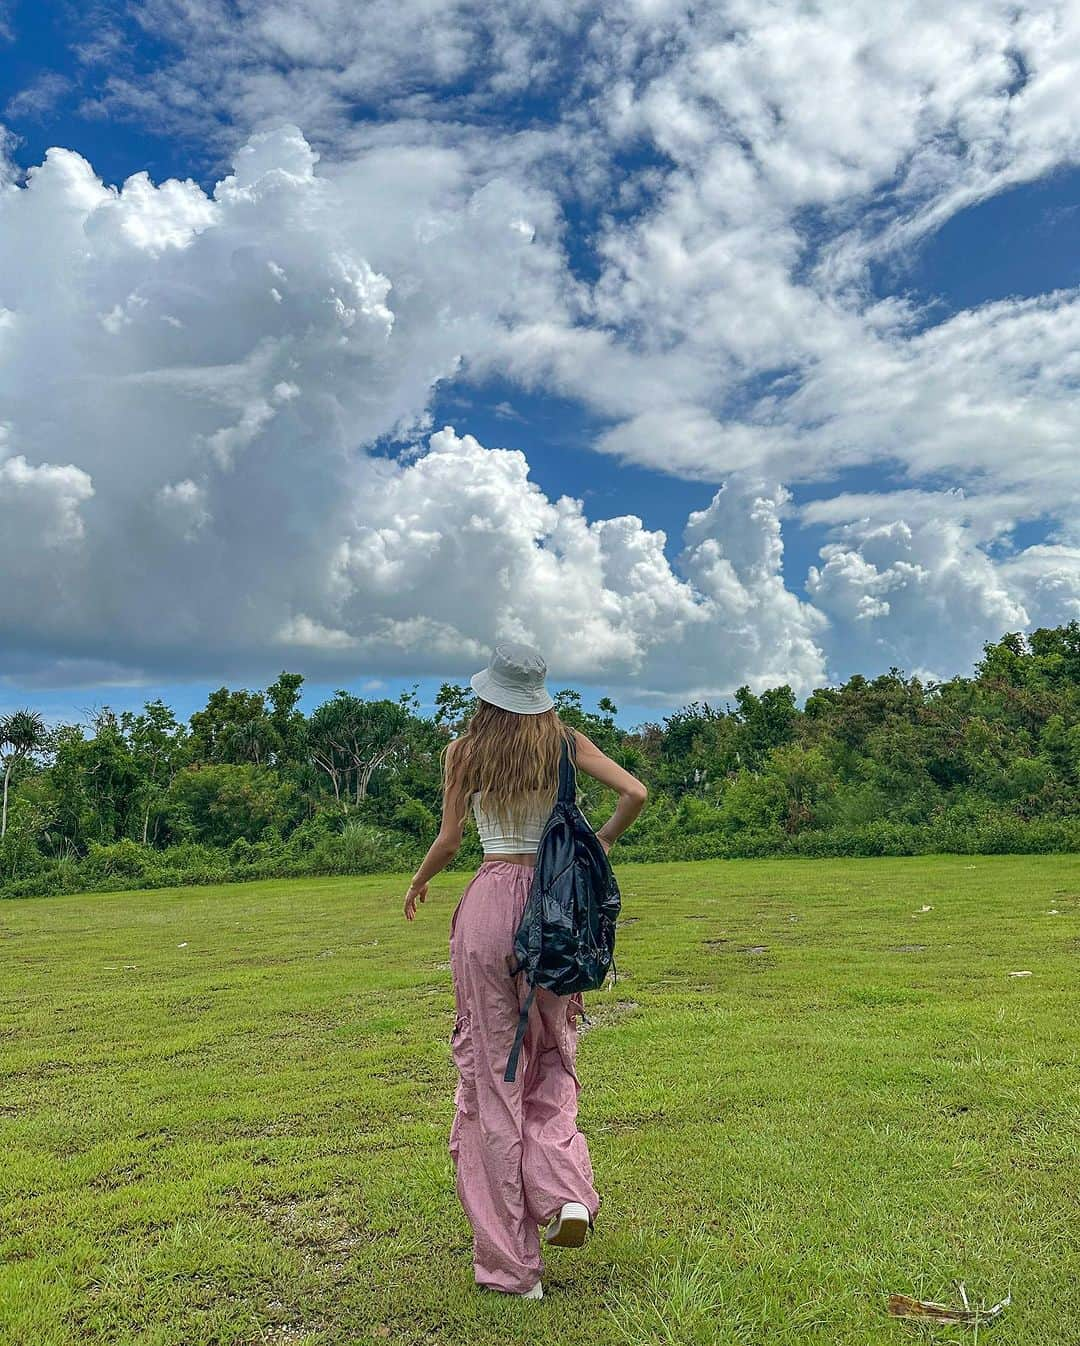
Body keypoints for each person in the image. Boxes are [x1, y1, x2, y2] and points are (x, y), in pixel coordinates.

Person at [402, 641, 648, 1299]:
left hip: (490, 906)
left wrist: (420, 881)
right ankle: (565, 1191)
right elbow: (634, 792)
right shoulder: (564, 744)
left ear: (488, 693)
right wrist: (596, 845)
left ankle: (514, 1270)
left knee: (492, 1078)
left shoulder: (465, 752)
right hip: (556, 910)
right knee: (548, 1057)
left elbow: (452, 840)